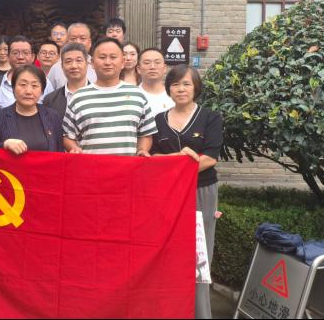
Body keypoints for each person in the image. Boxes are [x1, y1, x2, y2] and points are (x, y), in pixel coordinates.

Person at [148, 65, 223, 320]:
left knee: (199, 254)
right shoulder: (158, 120)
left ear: (196, 87)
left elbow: (210, 157)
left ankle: (200, 313)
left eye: (186, 84)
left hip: (202, 190)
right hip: (168, 195)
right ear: (168, 88)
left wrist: (178, 166)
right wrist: (178, 158)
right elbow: (152, 156)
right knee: (168, 252)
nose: (181, 89)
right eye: (176, 84)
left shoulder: (210, 117)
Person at [63, 38, 156, 156]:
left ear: (122, 62)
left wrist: (142, 150)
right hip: (91, 166)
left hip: (127, 166)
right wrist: (74, 148)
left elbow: (146, 134)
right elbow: (68, 136)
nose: (107, 62)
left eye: (113, 57)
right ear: (92, 62)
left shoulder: (137, 95)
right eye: (102, 57)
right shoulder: (78, 97)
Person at [0, 64, 64, 153]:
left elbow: (59, 152)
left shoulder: (52, 116)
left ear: (42, 91)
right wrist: (4, 144)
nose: (28, 91)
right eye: (23, 85)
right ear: (13, 88)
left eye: (34, 86)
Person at [0, 35, 53, 108]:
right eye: (15, 53)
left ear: (33, 57)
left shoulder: (44, 81)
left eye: (25, 53)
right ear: (8, 57)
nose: (20, 57)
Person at [43, 43, 89, 120]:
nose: (74, 66)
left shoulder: (99, 95)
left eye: (78, 60)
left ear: (87, 64)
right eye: (68, 61)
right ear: (62, 66)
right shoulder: (50, 100)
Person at [47, 23, 97, 90]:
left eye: (82, 38)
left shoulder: (98, 66)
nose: (78, 42)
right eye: (73, 39)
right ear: (67, 42)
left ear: (90, 42)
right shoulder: (56, 68)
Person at [137, 47, 175, 114]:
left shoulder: (174, 95)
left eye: (157, 62)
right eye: (147, 63)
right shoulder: (133, 95)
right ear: (138, 69)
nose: (152, 67)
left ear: (164, 68)